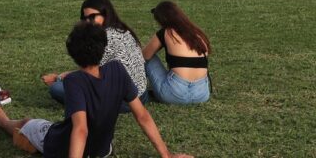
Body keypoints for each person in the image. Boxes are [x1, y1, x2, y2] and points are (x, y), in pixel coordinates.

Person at [15, 22, 193, 158]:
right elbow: (142, 116)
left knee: (26, 124)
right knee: (35, 125)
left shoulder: (74, 81)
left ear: (73, 54)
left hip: (63, 147)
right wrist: (166, 155)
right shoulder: (117, 69)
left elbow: (80, 130)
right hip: (102, 150)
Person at [41, 0, 147, 108]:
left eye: (92, 17)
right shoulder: (121, 29)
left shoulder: (106, 38)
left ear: (106, 14)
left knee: (57, 89)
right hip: (142, 94)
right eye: (84, 18)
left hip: (126, 101)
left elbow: (91, 73)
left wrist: (59, 78)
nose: (88, 21)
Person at [141, 1, 211, 105]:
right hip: (202, 94)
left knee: (149, 57)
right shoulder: (197, 34)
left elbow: (144, 56)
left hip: (174, 93)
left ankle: (135, 92)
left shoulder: (166, 32)